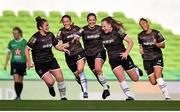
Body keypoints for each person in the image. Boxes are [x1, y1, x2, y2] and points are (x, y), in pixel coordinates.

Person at [25, 16, 69, 100]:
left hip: (51, 61)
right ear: (40, 27)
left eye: (48, 25)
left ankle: (63, 98)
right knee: (51, 82)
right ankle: (50, 87)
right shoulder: (35, 38)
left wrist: (63, 49)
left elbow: (56, 45)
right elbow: (26, 49)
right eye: (46, 25)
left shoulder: (50, 35)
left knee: (60, 78)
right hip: (40, 64)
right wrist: (29, 62)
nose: (48, 27)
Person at [101, 17, 143, 100]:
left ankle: (136, 69)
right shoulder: (101, 35)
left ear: (109, 25)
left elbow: (131, 42)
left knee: (135, 79)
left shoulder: (118, 31)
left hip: (124, 58)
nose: (103, 28)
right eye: (102, 26)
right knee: (121, 79)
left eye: (104, 26)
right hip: (113, 60)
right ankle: (129, 96)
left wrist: (126, 53)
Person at [138, 18, 171, 100]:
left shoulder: (156, 33)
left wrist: (156, 44)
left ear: (147, 23)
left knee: (158, 77)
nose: (143, 25)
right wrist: (141, 51)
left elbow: (163, 45)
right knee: (153, 82)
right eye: (141, 24)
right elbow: (140, 46)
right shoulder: (140, 35)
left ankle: (167, 96)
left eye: (144, 23)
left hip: (157, 57)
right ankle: (158, 75)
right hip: (146, 60)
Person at [56, 15, 88, 98]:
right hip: (69, 56)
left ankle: (85, 91)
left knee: (80, 69)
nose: (66, 23)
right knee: (77, 74)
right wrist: (63, 45)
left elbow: (83, 35)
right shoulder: (61, 31)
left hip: (79, 52)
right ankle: (80, 81)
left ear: (70, 21)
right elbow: (56, 44)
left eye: (67, 21)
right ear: (62, 23)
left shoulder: (76, 28)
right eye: (64, 22)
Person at [80, 13, 110, 99]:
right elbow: (77, 35)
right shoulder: (83, 30)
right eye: (90, 20)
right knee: (97, 74)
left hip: (99, 52)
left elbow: (109, 31)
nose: (92, 21)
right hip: (89, 55)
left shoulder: (100, 28)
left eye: (93, 20)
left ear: (95, 20)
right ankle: (106, 86)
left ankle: (105, 89)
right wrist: (75, 37)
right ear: (87, 21)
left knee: (98, 69)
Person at [4, 27, 27, 100]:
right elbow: (8, 54)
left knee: (20, 81)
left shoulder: (24, 42)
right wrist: (5, 64)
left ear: (19, 33)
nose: (14, 35)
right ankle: (17, 96)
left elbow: (27, 53)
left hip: (22, 63)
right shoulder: (11, 42)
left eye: (15, 33)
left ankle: (19, 96)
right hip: (14, 63)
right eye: (13, 33)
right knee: (16, 80)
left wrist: (29, 62)